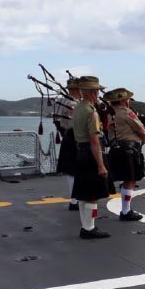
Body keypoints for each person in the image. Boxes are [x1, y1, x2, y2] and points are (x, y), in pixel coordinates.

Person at [71, 76, 113, 239]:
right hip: (90, 154)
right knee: (93, 195)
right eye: (97, 91)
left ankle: (86, 227)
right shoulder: (90, 112)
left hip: (81, 151)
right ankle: (89, 229)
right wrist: (101, 165)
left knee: (84, 194)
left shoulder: (78, 108)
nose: (98, 94)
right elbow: (95, 141)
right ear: (93, 92)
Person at [103, 87, 145, 220]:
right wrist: (144, 140)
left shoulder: (108, 113)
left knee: (125, 178)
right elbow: (141, 130)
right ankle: (125, 211)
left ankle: (125, 209)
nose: (128, 101)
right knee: (130, 180)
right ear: (123, 100)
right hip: (129, 150)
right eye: (127, 99)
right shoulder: (126, 112)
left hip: (114, 149)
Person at [55, 77, 82, 210]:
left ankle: (75, 199)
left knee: (72, 170)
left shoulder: (64, 101)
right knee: (74, 170)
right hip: (74, 137)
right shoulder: (73, 104)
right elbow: (75, 124)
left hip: (68, 136)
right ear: (78, 89)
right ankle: (75, 200)